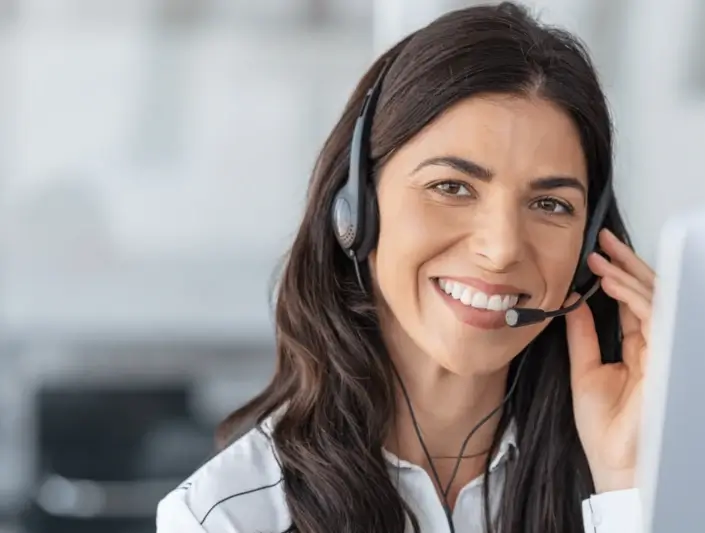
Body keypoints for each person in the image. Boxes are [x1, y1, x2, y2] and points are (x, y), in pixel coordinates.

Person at [156, 3, 655, 532]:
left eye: (550, 205)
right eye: (452, 187)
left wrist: (627, 483)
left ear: (586, 253)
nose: (503, 248)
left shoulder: (633, 484)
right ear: (356, 209)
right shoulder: (228, 516)